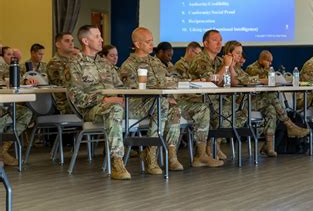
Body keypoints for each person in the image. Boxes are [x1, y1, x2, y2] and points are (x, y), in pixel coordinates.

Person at [65, 25, 162, 180]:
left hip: (115, 103)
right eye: (97, 36)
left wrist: (128, 95)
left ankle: (150, 153)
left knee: (159, 103)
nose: (102, 39)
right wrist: (104, 99)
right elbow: (76, 97)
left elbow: (120, 87)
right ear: (85, 40)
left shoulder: (104, 63)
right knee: (115, 108)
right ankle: (117, 162)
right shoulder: (74, 64)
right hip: (93, 109)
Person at [119, 27, 223, 169]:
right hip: (141, 105)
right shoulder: (128, 65)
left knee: (202, 108)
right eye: (148, 42)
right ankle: (152, 154)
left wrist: (190, 83)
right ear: (137, 44)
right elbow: (132, 90)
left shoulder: (156, 62)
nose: (152, 44)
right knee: (166, 106)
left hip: (165, 101)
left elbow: (173, 78)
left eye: (152, 41)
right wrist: (164, 95)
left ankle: (197, 155)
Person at [225, 41, 309, 157]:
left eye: (241, 53)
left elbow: (246, 79)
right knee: (270, 96)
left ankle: (269, 146)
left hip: (248, 100)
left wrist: (261, 79)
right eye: (238, 53)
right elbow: (237, 81)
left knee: (271, 109)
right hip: (239, 102)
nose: (240, 56)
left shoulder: (238, 68)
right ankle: (289, 125)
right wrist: (262, 79)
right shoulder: (237, 67)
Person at [188, 30, 247, 159]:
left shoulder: (219, 60)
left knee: (240, 111)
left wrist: (230, 67)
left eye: (221, 40)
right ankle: (208, 149)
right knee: (228, 111)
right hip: (198, 100)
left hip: (215, 99)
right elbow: (214, 81)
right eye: (215, 40)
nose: (219, 43)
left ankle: (214, 144)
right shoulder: (200, 59)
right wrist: (226, 66)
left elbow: (235, 81)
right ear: (205, 43)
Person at [0, 46, 34, 166]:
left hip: (4, 104)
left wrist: (24, 81)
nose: (12, 57)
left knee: (26, 112)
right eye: (8, 54)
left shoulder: (7, 67)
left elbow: (11, 79)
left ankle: (3, 150)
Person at [47, 32, 75, 114]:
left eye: (72, 41)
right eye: (67, 41)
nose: (71, 43)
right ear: (58, 45)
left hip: (76, 100)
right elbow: (65, 85)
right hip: (65, 103)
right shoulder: (54, 64)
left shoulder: (75, 61)